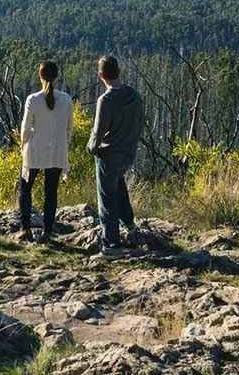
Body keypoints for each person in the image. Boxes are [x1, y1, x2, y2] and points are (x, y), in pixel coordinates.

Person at [87, 54, 144, 258]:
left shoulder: (106, 100)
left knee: (107, 199)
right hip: (128, 153)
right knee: (119, 188)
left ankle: (111, 245)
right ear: (118, 71)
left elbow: (98, 132)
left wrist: (92, 148)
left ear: (100, 75)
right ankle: (129, 225)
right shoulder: (134, 95)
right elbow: (139, 122)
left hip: (109, 155)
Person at [16, 60, 73, 244]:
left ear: (39, 76)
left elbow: (25, 128)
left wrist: (23, 142)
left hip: (34, 149)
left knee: (25, 188)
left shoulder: (33, 99)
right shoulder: (66, 99)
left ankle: (25, 228)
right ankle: (47, 231)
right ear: (56, 76)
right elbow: (69, 129)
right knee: (51, 192)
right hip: (57, 149)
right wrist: (64, 144)